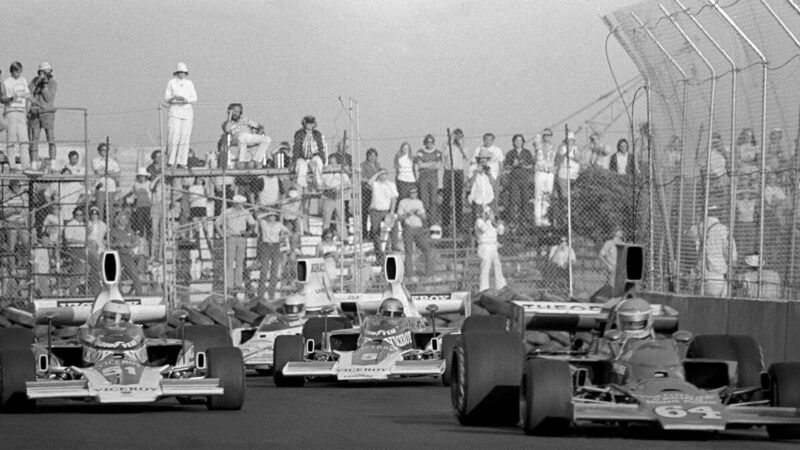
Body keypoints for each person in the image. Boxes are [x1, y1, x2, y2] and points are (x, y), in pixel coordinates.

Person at [690, 208, 737, 297]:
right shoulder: (723, 229)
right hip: (718, 274)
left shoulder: (695, 229)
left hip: (700, 273)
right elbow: (731, 252)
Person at [215, 195, 257, 291]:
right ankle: (229, 285)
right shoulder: (227, 212)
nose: (240, 205)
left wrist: (249, 232)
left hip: (241, 238)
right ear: (234, 203)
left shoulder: (245, 212)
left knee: (240, 262)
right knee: (230, 262)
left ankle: (238, 284)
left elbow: (253, 223)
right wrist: (222, 235)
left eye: (241, 203)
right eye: (238, 203)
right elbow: (217, 223)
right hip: (231, 238)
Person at [396, 186, 435, 280]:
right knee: (409, 252)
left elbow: (424, 217)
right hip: (408, 228)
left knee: (428, 250)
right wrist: (408, 214)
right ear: (409, 193)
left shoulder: (419, 202)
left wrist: (418, 214)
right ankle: (409, 275)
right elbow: (399, 217)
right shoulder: (403, 202)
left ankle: (429, 275)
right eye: (412, 192)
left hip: (419, 229)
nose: (414, 194)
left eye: (415, 192)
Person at [163, 62, 197, 168]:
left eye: (184, 72)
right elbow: (166, 97)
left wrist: (185, 100)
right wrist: (174, 98)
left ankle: (182, 161)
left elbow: (194, 98)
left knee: (185, 137)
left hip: (187, 112)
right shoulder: (171, 82)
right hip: (174, 111)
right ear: (177, 72)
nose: (182, 74)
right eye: (180, 72)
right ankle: (171, 160)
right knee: (173, 136)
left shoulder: (190, 83)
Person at [222, 103, 272, 168]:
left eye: (237, 111)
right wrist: (229, 116)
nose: (235, 113)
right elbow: (227, 130)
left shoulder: (245, 120)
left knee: (267, 139)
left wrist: (257, 135)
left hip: (249, 137)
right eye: (234, 111)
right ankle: (241, 162)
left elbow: (260, 127)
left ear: (240, 112)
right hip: (239, 138)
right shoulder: (228, 123)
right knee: (242, 138)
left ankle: (256, 160)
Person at [3, 62, 32, 169]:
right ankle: (12, 165)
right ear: (12, 71)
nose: (18, 74)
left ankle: (26, 165)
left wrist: (36, 104)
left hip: (21, 111)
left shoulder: (23, 80)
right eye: (16, 71)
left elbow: (28, 95)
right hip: (11, 111)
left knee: (24, 140)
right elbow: (3, 98)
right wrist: (11, 99)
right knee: (11, 139)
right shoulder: (7, 82)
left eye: (20, 71)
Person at [27, 62, 58, 164]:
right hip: (35, 113)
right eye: (41, 72)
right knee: (34, 140)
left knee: (50, 139)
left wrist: (44, 86)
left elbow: (49, 98)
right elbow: (28, 91)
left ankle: (53, 163)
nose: (43, 74)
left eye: (45, 72)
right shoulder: (35, 81)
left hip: (47, 113)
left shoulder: (52, 83)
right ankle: (34, 164)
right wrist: (37, 83)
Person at [257, 210, 289, 301]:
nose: (272, 217)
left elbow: (288, 232)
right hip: (266, 245)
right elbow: (258, 217)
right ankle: (261, 293)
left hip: (275, 245)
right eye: (270, 216)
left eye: (274, 216)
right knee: (264, 269)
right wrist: (267, 213)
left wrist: (281, 237)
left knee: (274, 270)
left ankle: (272, 293)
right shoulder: (264, 223)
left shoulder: (279, 224)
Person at [503, 134, 534, 229]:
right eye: (516, 141)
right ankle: (512, 220)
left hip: (524, 178)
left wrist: (524, 165)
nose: (518, 142)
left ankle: (524, 220)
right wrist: (513, 165)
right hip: (514, 179)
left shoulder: (527, 152)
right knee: (512, 200)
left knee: (525, 199)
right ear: (513, 142)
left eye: (520, 141)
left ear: (523, 142)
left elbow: (532, 165)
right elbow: (506, 166)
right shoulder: (510, 153)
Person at [414, 135, 443, 234]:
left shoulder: (437, 152)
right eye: (427, 142)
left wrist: (426, 164)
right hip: (423, 178)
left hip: (433, 179)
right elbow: (419, 164)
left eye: (431, 142)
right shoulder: (420, 152)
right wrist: (431, 164)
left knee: (433, 201)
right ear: (424, 142)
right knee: (423, 200)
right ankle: (424, 223)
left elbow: (438, 166)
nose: (429, 144)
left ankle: (433, 223)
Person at [368, 168, 399, 260]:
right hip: (375, 211)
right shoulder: (375, 184)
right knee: (375, 231)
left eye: (384, 174)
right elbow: (369, 182)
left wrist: (392, 212)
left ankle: (394, 245)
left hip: (386, 211)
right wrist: (377, 173)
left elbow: (394, 198)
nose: (383, 176)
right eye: (381, 174)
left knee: (394, 225)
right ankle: (379, 252)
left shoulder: (391, 185)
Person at [443, 128, 469, 235]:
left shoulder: (464, 147)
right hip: (449, 172)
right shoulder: (448, 146)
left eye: (459, 136)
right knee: (446, 197)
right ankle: (445, 223)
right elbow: (444, 154)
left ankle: (458, 223)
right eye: (456, 136)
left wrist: (460, 144)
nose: (457, 138)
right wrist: (450, 140)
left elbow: (466, 157)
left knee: (458, 198)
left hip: (458, 172)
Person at [110, 211, 143, 295]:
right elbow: (108, 243)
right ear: (118, 220)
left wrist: (130, 245)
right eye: (122, 219)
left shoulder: (129, 231)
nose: (124, 221)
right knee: (117, 276)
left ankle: (140, 294)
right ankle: (118, 294)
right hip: (117, 254)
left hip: (127, 255)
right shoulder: (113, 231)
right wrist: (118, 244)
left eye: (125, 219)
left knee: (135, 274)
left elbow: (135, 242)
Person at [475, 205, 506, 292]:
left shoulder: (493, 222)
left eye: (490, 212)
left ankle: (501, 286)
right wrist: (489, 220)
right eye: (487, 213)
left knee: (497, 266)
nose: (489, 214)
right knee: (485, 268)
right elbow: (483, 229)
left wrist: (498, 223)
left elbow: (501, 232)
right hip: (484, 247)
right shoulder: (479, 221)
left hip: (493, 246)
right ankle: (484, 289)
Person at [91, 143, 121, 221]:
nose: (105, 152)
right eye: (103, 150)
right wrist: (110, 172)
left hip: (111, 188)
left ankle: (109, 229)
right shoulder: (96, 160)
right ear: (99, 151)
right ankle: (99, 227)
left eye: (107, 150)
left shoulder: (112, 161)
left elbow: (118, 174)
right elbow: (98, 172)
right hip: (101, 187)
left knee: (110, 210)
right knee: (100, 209)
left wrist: (105, 171)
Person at [533, 129, 557, 226]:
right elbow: (534, 158)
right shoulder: (538, 146)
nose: (547, 137)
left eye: (549, 135)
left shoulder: (554, 147)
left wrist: (554, 168)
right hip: (540, 172)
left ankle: (545, 217)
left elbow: (557, 160)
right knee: (538, 195)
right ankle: (537, 218)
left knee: (547, 196)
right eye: (545, 135)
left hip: (549, 173)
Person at [319, 165, 350, 238]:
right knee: (326, 219)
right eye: (331, 163)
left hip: (339, 198)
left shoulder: (341, 173)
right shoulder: (325, 172)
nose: (332, 165)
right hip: (328, 197)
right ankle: (326, 236)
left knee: (341, 218)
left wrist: (341, 190)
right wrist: (328, 189)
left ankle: (343, 238)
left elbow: (348, 183)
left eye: (334, 163)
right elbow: (319, 184)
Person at [63, 206, 87, 294]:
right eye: (78, 215)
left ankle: (80, 289)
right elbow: (68, 239)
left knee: (84, 269)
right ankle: (73, 292)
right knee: (77, 271)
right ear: (74, 215)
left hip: (83, 248)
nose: (80, 216)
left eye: (81, 215)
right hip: (75, 248)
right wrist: (81, 241)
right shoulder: (70, 224)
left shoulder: (82, 224)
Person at [467, 149, 495, 223]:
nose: (483, 160)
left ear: (487, 159)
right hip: (477, 197)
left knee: (490, 219)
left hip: (489, 197)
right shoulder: (473, 168)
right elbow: (470, 183)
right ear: (479, 159)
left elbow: (493, 183)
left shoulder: (490, 168)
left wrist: (489, 174)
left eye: (485, 158)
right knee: (477, 220)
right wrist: (476, 172)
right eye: (481, 158)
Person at [360, 148, 381, 238]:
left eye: (374, 156)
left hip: (376, 191)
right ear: (367, 156)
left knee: (375, 212)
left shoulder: (377, 165)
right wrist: (369, 180)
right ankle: (364, 233)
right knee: (365, 212)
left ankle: (374, 232)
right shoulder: (363, 165)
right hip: (366, 190)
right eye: (370, 155)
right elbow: (360, 178)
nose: (372, 157)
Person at [556, 131, 580, 198]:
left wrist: (575, 154)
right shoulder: (561, 148)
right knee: (564, 192)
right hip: (563, 173)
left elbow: (578, 159)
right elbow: (558, 159)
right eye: (568, 140)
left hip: (574, 173)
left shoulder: (576, 148)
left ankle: (573, 205)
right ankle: (565, 204)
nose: (570, 141)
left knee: (574, 192)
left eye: (571, 140)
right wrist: (565, 153)